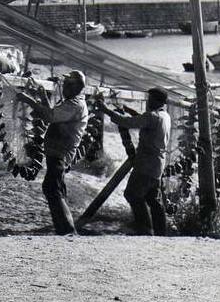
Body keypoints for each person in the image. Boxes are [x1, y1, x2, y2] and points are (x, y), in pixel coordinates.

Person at [15, 70, 89, 235]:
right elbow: (51, 112)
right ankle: (64, 228)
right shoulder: (71, 101)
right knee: (56, 187)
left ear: (77, 87)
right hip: (57, 151)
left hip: (61, 152)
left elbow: (49, 116)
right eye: (64, 84)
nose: (64, 87)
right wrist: (42, 95)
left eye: (68, 84)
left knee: (51, 187)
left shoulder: (75, 105)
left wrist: (30, 100)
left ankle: (68, 230)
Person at [99, 88, 171, 236]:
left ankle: (145, 229)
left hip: (146, 165)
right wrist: (130, 111)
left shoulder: (152, 116)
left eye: (150, 99)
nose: (148, 102)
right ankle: (161, 231)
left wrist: (106, 110)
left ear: (157, 101)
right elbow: (144, 120)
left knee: (132, 194)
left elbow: (128, 122)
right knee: (152, 199)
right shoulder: (164, 116)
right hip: (157, 166)